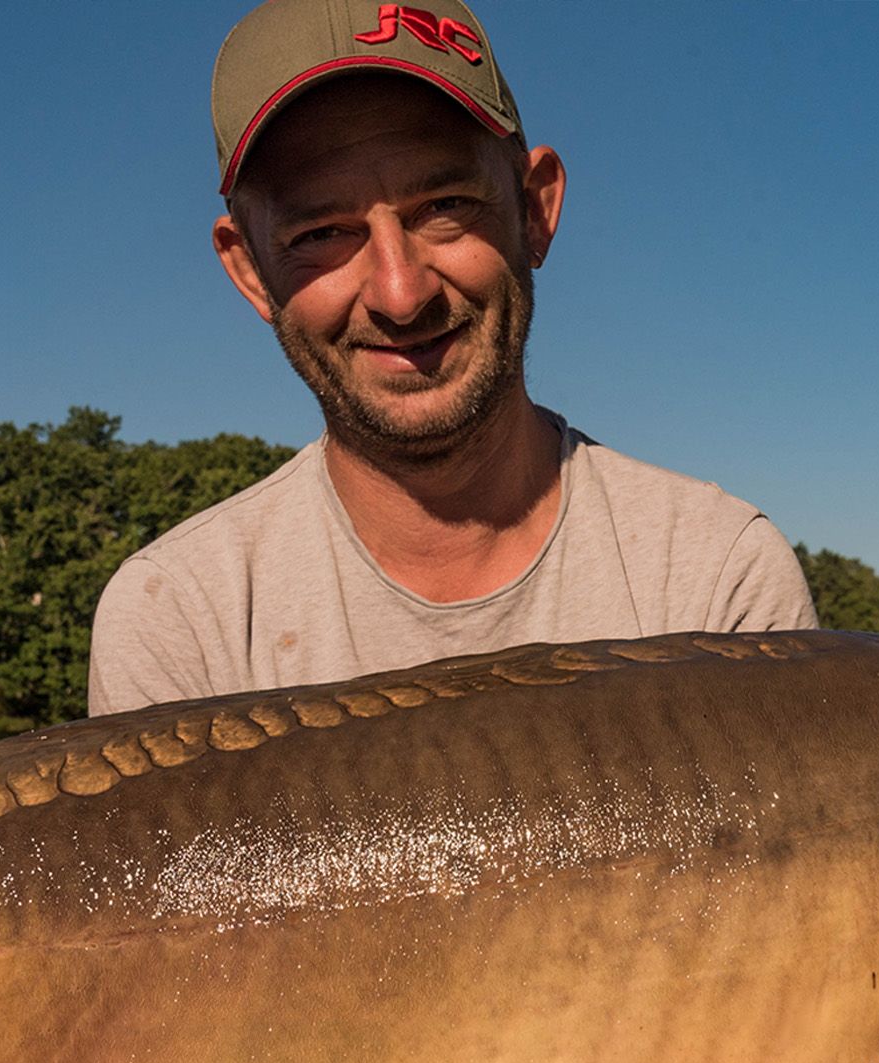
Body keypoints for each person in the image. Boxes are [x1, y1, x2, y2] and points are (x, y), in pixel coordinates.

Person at [87, 0, 815, 715]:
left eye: (445, 206)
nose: (401, 296)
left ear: (534, 208)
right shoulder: (178, 623)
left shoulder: (718, 583)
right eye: (319, 234)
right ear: (249, 272)